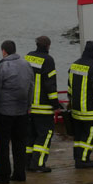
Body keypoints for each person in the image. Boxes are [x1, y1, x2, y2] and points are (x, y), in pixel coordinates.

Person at [0, 40, 34, 184]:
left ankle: (4, 176)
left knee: (3, 145)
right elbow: (31, 87)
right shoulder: (26, 65)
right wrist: (29, 105)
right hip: (22, 111)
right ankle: (19, 173)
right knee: (20, 144)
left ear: (4, 51)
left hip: (4, 112)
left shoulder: (2, 67)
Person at [67, 40, 93, 169]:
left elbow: (70, 87)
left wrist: (70, 102)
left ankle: (78, 159)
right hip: (89, 111)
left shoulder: (74, 65)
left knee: (78, 137)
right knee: (89, 136)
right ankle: (84, 160)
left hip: (76, 110)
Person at [24, 35, 59, 172]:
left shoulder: (28, 57)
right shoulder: (48, 60)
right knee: (44, 136)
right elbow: (50, 85)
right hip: (43, 108)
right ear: (47, 46)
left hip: (29, 106)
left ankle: (27, 164)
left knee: (30, 137)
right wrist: (56, 105)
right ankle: (38, 164)